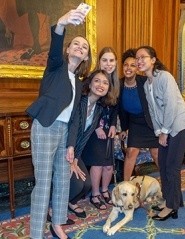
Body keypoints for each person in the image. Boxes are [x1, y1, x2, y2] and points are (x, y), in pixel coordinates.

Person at [26, 9, 91, 239]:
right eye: (76, 44)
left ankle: (57, 225)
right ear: (67, 49)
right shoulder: (55, 66)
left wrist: (71, 145)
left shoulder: (80, 83)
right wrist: (62, 23)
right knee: (43, 183)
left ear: (85, 58)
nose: (79, 48)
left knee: (63, 180)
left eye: (84, 47)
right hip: (45, 127)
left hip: (64, 133)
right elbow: (55, 43)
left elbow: (74, 119)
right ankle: (36, 233)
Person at [135, 45, 185, 221]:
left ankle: (171, 207)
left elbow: (171, 106)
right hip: (165, 128)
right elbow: (153, 112)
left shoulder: (165, 77)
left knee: (171, 167)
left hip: (180, 125)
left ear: (153, 60)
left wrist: (164, 132)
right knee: (163, 163)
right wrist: (158, 131)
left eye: (143, 57)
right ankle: (173, 200)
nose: (139, 61)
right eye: (137, 58)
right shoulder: (147, 84)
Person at [66, 70, 114, 218]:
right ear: (90, 83)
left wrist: (76, 158)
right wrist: (70, 159)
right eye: (97, 81)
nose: (101, 85)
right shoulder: (80, 100)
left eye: (105, 83)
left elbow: (85, 136)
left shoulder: (98, 108)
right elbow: (72, 128)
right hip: (64, 146)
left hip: (75, 151)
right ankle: (55, 208)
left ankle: (70, 202)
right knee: (77, 184)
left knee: (86, 184)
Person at [82, 47, 120, 209]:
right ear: (99, 61)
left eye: (111, 60)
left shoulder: (116, 82)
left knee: (109, 164)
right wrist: (97, 126)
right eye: (105, 60)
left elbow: (114, 107)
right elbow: (87, 102)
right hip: (93, 129)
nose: (108, 63)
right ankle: (95, 193)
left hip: (108, 128)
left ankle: (105, 190)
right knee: (97, 163)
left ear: (115, 63)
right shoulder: (94, 78)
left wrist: (113, 125)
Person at [118, 48, 159, 181]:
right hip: (134, 123)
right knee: (131, 152)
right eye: (125, 65)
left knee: (156, 153)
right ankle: (125, 184)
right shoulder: (118, 85)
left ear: (137, 68)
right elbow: (120, 111)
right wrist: (123, 129)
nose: (128, 68)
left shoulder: (145, 81)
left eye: (133, 65)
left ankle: (167, 182)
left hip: (150, 122)